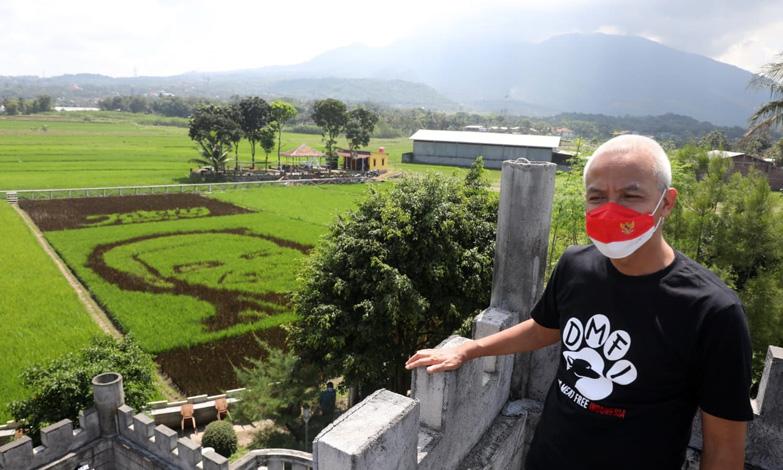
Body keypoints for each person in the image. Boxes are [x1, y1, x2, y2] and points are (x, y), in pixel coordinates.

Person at [405, 135, 753, 470]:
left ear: (667, 202)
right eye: (597, 197)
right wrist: (471, 349)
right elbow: (544, 329)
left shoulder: (712, 312)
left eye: (630, 195)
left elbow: (724, 447)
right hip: (548, 457)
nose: (610, 209)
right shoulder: (576, 265)